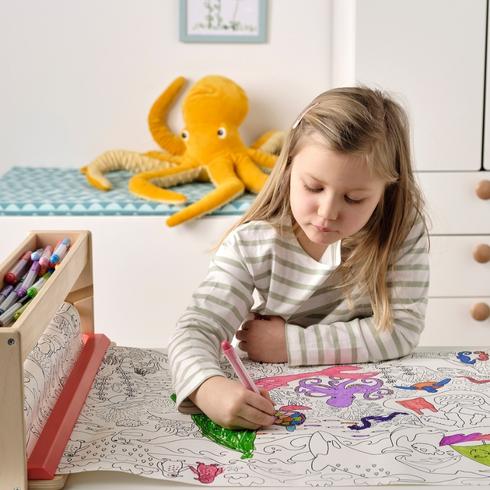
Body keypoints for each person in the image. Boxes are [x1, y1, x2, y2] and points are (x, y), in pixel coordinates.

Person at [168, 86, 430, 430]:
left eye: (353, 198)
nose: (327, 212)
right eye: (314, 187)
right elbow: (195, 329)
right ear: (289, 166)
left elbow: (401, 332)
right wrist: (207, 388)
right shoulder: (252, 243)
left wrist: (288, 344)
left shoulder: (401, 229)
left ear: (386, 191)